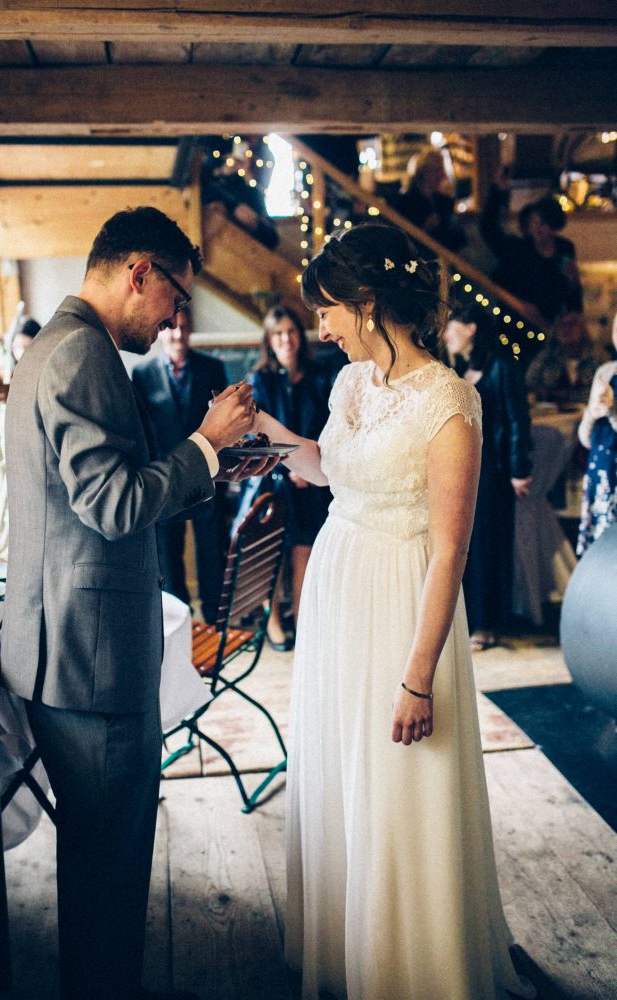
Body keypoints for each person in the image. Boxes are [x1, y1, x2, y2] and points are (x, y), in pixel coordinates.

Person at [251, 223, 536, 1000]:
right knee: (343, 766)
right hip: (339, 592)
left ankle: (412, 961)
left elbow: (449, 550)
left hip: (401, 603)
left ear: (368, 303)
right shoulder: (350, 386)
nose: (322, 326)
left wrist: (418, 678)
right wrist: (270, 437)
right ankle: (348, 945)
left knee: (397, 776)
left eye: (329, 310)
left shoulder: (450, 402)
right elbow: (329, 467)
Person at [0, 206, 275, 1000]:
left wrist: (205, 472)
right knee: (112, 868)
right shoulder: (81, 357)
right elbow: (114, 505)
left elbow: (92, 498)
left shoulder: (57, 346)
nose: (174, 318)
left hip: (64, 651)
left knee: (95, 859)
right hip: (90, 662)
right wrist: (204, 444)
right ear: (138, 272)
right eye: (176, 299)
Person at [236, 305, 334, 650]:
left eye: (291, 331)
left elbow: (328, 426)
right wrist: (290, 468)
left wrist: (311, 467)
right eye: (278, 333)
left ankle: (304, 617)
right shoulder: (258, 379)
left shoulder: (320, 376)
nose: (286, 339)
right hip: (273, 480)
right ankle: (274, 621)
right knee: (273, 551)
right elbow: (254, 438)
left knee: (305, 549)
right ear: (269, 340)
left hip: (314, 479)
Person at [443, 303, 532, 652]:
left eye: (452, 326)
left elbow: (516, 421)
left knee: (491, 546)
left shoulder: (503, 367)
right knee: (468, 545)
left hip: (494, 472)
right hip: (466, 471)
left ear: (471, 328)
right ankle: (468, 619)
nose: (447, 333)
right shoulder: (461, 370)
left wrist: (519, 470)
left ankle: (488, 623)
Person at [132, 309, 228, 623]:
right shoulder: (143, 374)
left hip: (208, 473)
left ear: (190, 331)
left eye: (184, 328)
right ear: (162, 331)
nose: (177, 334)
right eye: (172, 328)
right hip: (166, 477)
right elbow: (143, 429)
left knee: (212, 550)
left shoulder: (212, 368)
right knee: (169, 557)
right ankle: (179, 621)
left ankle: (214, 619)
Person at [480, 169, 583, 326]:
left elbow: (571, 289)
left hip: (549, 327)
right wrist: (497, 191)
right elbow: (489, 229)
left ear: (555, 228)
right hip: (514, 325)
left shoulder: (564, 249)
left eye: (544, 224)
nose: (539, 229)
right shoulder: (518, 250)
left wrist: (574, 311)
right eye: (535, 222)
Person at [576, 311, 617, 555]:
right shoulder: (606, 372)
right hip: (600, 473)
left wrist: (612, 411)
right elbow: (585, 438)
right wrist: (592, 411)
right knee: (602, 555)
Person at [525, 312, 608, 406]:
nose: (566, 329)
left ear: (582, 329)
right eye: (562, 325)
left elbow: (604, 391)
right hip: (553, 416)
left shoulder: (597, 357)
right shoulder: (547, 357)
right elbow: (529, 383)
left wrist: (567, 396)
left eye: (572, 324)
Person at [394, 146, 468, 252]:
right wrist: (424, 229)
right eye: (438, 169)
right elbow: (401, 243)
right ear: (425, 171)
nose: (442, 175)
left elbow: (460, 240)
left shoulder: (444, 201)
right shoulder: (404, 203)